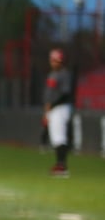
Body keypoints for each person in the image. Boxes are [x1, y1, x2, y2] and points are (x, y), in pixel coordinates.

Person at [43, 48, 72, 177]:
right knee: (56, 137)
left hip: (60, 107)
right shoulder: (52, 74)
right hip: (53, 108)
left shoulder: (64, 74)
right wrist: (47, 108)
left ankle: (62, 166)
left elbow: (65, 94)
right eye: (53, 60)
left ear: (61, 62)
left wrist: (52, 105)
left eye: (57, 60)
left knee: (59, 136)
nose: (54, 62)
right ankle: (60, 164)